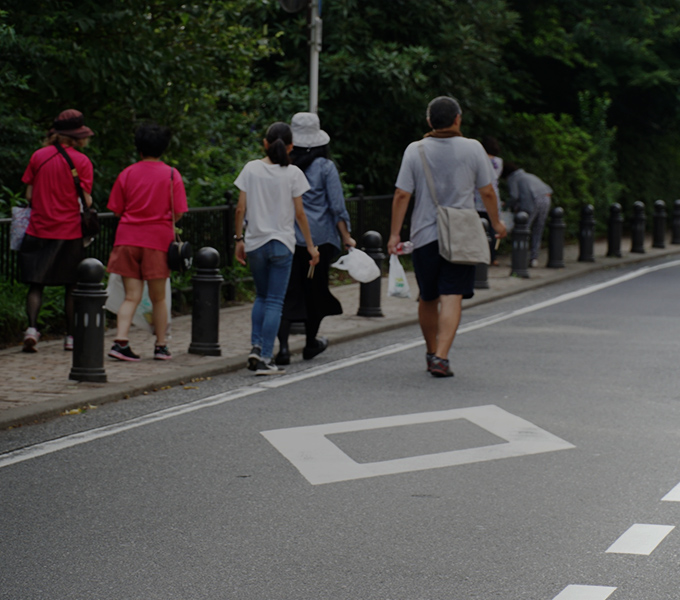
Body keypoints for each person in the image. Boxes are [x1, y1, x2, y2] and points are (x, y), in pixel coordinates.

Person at [387, 96, 507, 378]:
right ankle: (442, 357)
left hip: (424, 235)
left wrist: (394, 234)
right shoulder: (473, 148)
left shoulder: (414, 150)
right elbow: (487, 191)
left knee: (427, 297)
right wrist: (497, 223)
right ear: (458, 119)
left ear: (429, 121)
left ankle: (430, 351)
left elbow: (402, 194)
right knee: (452, 295)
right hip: (461, 235)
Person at [234, 122, 320, 375]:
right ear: (291, 146)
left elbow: (240, 208)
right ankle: (264, 358)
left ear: (265, 143)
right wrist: (312, 247)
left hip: (255, 243)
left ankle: (256, 345)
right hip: (282, 243)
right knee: (274, 301)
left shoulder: (251, 169)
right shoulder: (293, 173)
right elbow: (300, 214)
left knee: (261, 297)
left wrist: (239, 239)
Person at [274, 112, 356, 366]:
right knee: (316, 292)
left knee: (287, 293)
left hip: (287, 237)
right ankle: (310, 342)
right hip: (319, 240)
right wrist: (346, 237)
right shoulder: (325, 167)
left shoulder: (282, 165)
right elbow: (337, 206)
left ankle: (284, 348)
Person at [106, 123, 188, 362]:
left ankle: (120, 341)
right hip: (158, 240)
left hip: (128, 238)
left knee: (131, 296)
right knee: (159, 297)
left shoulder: (127, 173)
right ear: (163, 148)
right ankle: (161, 346)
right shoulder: (172, 174)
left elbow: (116, 208)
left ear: (139, 149)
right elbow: (179, 211)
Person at [18, 109, 95, 353]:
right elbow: (87, 201)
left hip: (38, 228)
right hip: (69, 231)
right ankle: (71, 336)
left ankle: (31, 329)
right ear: (77, 137)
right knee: (71, 285)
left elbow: (29, 194)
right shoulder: (82, 162)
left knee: (36, 284)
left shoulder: (39, 156)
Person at [502, 162, 553, 267]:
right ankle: (534, 258)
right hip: (546, 197)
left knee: (523, 230)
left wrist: (507, 205)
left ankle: (520, 257)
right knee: (538, 229)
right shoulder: (529, 175)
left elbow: (514, 196)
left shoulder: (513, 178)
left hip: (532, 201)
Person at [474, 136, 503, 266]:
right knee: (492, 228)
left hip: (477, 196)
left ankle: (478, 255)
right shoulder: (499, 162)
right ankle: (492, 257)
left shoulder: (479, 159)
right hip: (493, 195)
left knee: (478, 228)